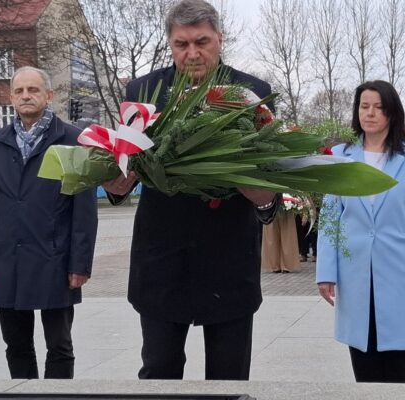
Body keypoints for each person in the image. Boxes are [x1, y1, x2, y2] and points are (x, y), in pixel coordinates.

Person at [102, 0, 279, 381]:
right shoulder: (143, 91)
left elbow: (272, 186)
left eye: (202, 42)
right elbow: (124, 174)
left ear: (220, 39)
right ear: (170, 43)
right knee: (160, 371)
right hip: (162, 260)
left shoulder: (253, 92)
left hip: (229, 258)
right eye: (182, 44)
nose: (193, 53)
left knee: (229, 377)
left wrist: (261, 194)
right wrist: (116, 182)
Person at [0, 66, 98, 379]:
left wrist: (80, 263)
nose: (26, 96)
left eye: (33, 90)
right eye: (19, 91)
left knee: (59, 345)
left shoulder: (73, 139)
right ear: (11, 96)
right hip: (8, 258)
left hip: (53, 257)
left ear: (48, 95)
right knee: (16, 345)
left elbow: (84, 208)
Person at [316, 80, 405, 384]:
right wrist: (325, 272)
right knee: (365, 368)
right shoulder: (340, 154)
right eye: (364, 106)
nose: (370, 113)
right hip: (355, 273)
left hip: (401, 272)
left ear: (392, 112)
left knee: (400, 371)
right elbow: (330, 216)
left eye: (378, 107)